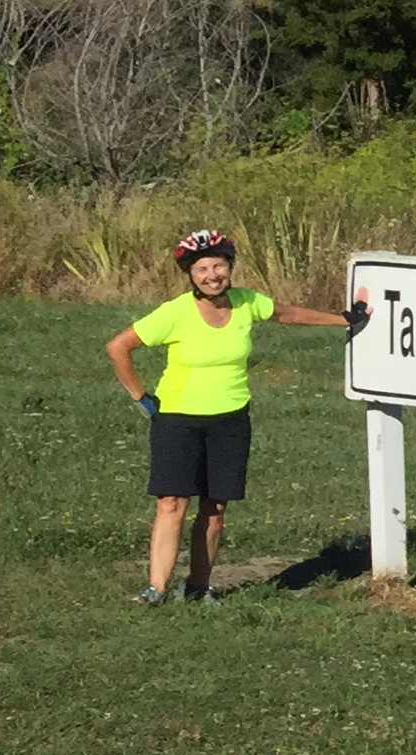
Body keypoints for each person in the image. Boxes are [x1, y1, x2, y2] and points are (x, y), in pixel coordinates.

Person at [103, 229, 369, 604]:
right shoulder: (175, 312)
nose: (212, 276)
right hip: (177, 419)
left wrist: (344, 319)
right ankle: (156, 589)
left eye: (218, 266)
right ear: (190, 275)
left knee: (215, 508)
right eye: (202, 269)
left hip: (230, 419)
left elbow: (286, 313)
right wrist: (141, 399)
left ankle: (198, 587)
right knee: (172, 504)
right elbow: (118, 347)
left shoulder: (246, 302)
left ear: (229, 267)